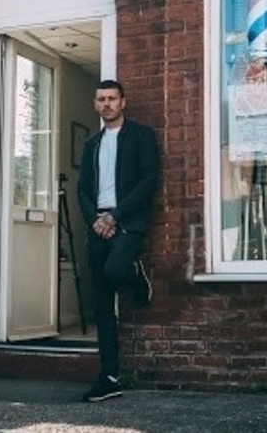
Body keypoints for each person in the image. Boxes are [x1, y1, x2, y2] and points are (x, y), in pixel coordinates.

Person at [77, 79, 159, 403]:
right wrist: (95, 220)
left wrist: (115, 216)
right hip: (98, 224)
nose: (107, 104)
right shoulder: (91, 144)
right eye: (101, 99)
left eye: (112, 98)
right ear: (96, 104)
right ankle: (109, 377)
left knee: (115, 271)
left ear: (123, 102)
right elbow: (83, 189)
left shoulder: (141, 136)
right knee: (100, 303)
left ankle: (136, 273)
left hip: (127, 221)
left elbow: (148, 181)